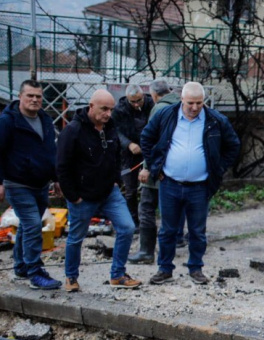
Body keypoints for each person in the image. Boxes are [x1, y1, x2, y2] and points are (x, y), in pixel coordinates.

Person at [140, 81, 241, 286]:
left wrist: (218, 168)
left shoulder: (215, 120)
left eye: (199, 103)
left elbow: (233, 145)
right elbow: (146, 138)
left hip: (200, 185)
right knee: (167, 230)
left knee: (197, 231)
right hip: (169, 183)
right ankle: (165, 269)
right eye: (190, 103)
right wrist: (154, 166)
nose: (195, 108)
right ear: (181, 100)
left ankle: (196, 268)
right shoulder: (166, 115)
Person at [57, 89, 142, 292]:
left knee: (127, 227)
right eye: (104, 109)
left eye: (111, 109)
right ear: (91, 106)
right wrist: (73, 196)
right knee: (76, 237)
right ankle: (71, 277)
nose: (108, 114)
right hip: (82, 195)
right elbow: (62, 165)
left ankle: (118, 275)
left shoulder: (110, 127)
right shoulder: (73, 131)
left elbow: (116, 155)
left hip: (108, 192)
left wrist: (115, 180)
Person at [0, 80, 62, 290]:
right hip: (17, 183)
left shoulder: (45, 119)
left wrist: (56, 178)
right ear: (20, 96)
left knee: (30, 225)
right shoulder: (7, 122)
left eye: (38, 96)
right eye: (30, 96)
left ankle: (21, 267)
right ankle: (35, 273)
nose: (35, 100)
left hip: (40, 183)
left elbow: (50, 152)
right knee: (33, 225)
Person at [128, 80, 181, 264]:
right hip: (175, 169)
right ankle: (172, 248)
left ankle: (146, 251)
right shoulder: (182, 105)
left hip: (157, 167)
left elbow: (151, 141)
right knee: (172, 209)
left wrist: (146, 168)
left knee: (147, 208)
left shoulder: (159, 109)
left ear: (153, 94)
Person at [111, 83, 154, 227]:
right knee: (130, 190)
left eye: (139, 100)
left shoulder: (151, 105)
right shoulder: (119, 109)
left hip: (149, 151)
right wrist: (128, 144)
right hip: (128, 155)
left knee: (151, 187)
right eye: (133, 101)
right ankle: (133, 221)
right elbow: (115, 131)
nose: (136, 104)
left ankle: (149, 220)